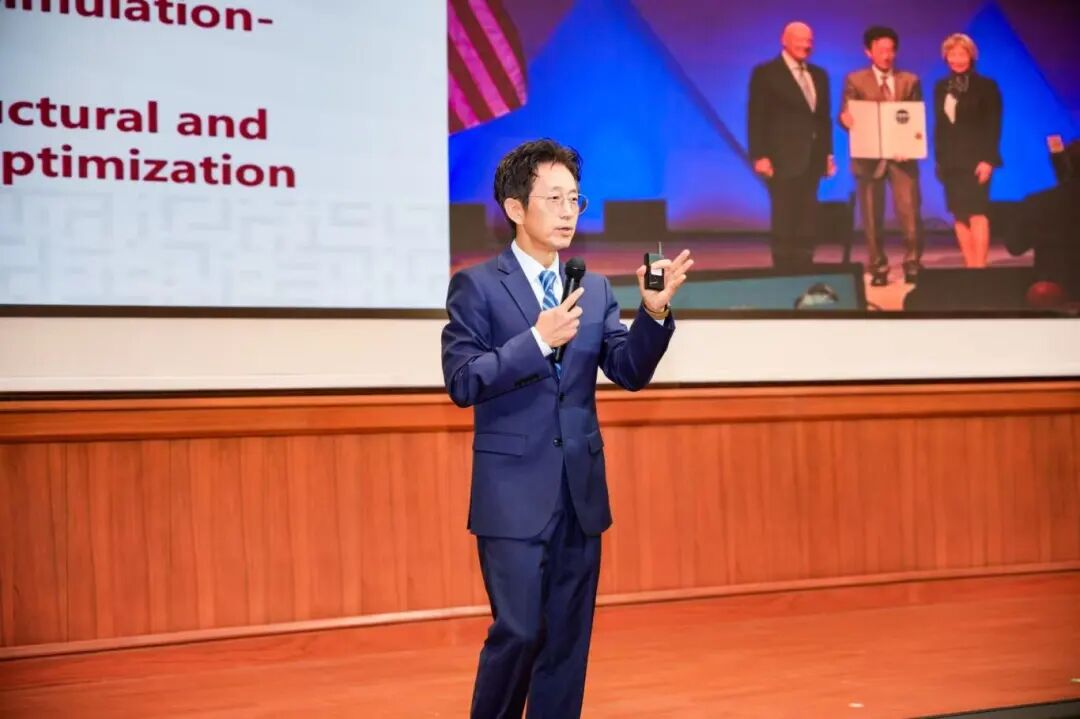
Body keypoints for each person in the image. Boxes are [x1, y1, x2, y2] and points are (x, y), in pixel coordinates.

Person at [441, 138, 693, 718]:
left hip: (580, 494)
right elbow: (462, 380)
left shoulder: (595, 288)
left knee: (566, 644)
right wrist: (536, 340)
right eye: (552, 198)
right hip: (512, 496)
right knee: (519, 631)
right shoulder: (476, 286)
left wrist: (654, 312)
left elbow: (628, 370)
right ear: (514, 207)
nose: (566, 212)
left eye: (574, 199)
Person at [839, 26, 924, 286]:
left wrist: (911, 143)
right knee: (871, 216)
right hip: (868, 158)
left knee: (910, 213)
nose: (887, 56)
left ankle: (913, 263)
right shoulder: (855, 80)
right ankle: (878, 267)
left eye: (891, 50)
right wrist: (844, 119)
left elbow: (915, 119)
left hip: (902, 157)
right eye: (881, 50)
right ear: (868, 52)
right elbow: (846, 113)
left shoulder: (909, 80)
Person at [748, 21, 836, 271]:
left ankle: (805, 266)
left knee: (808, 216)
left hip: (813, 158)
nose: (805, 45)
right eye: (800, 39)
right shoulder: (766, 73)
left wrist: (828, 154)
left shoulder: (819, 75)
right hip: (781, 158)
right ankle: (784, 270)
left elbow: (823, 119)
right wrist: (759, 155)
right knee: (785, 215)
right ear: (784, 40)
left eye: (809, 40)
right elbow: (756, 116)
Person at [933, 33, 1002, 268]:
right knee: (959, 214)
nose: (957, 59)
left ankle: (979, 268)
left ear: (971, 56)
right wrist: (939, 160)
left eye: (962, 54)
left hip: (976, 161)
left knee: (977, 213)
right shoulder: (941, 87)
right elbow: (941, 125)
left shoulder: (986, 86)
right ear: (946, 57)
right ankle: (970, 266)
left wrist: (988, 160)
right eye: (952, 54)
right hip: (950, 162)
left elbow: (993, 125)